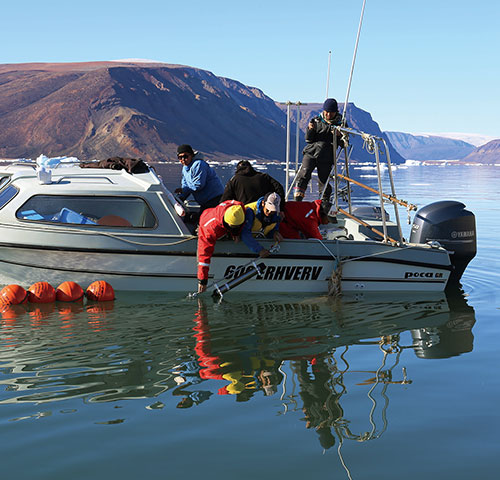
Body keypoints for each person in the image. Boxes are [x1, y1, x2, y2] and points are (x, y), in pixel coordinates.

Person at [294, 98, 344, 202]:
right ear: (323, 111)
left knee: (324, 182)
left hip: (327, 157)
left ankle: (323, 207)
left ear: (336, 112)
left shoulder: (341, 125)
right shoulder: (316, 120)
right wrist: (310, 129)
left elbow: (344, 144)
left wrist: (339, 136)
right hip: (311, 153)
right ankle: (297, 202)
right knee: (304, 175)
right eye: (327, 112)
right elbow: (308, 139)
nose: (329, 115)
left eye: (331, 113)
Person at [196, 200, 246, 293]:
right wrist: (202, 281)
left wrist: (236, 233)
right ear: (228, 224)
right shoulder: (209, 230)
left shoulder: (237, 208)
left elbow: (239, 205)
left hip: (216, 214)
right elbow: (204, 257)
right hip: (206, 220)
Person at [174, 144, 224, 214]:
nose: (183, 159)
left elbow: (198, 185)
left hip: (214, 199)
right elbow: (185, 185)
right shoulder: (185, 168)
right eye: (180, 157)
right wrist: (181, 198)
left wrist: (184, 190)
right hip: (204, 201)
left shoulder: (199, 164)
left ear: (191, 155)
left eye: (185, 156)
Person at [220, 160, 285, 205]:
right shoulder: (263, 177)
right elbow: (279, 188)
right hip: (262, 212)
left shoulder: (234, 180)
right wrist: (280, 207)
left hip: (243, 214)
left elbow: (225, 200)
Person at [241, 192, 283, 257]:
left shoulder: (276, 216)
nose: (269, 212)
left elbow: (271, 229)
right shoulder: (250, 211)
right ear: (263, 203)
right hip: (244, 247)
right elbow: (244, 233)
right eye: (268, 209)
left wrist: (275, 233)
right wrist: (259, 250)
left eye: (272, 211)